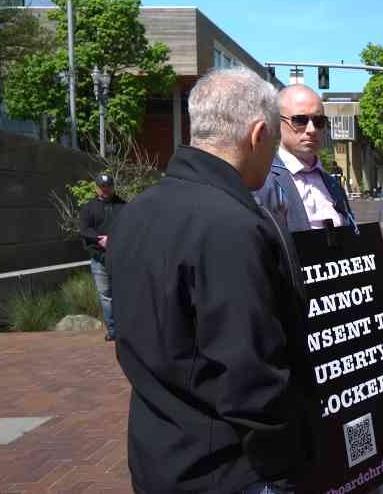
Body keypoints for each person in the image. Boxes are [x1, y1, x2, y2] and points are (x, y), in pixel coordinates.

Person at [108, 67, 306, 494]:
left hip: (156, 454)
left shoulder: (134, 213)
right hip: (229, 470)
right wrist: (283, 464)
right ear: (257, 134)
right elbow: (251, 371)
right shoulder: (232, 226)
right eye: (273, 140)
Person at [254, 84, 356, 232]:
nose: (311, 129)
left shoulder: (333, 185)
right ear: (277, 122)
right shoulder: (261, 181)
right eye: (300, 120)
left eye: (318, 121)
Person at [78, 172, 126, 341]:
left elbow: (130, 227)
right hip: (99, 258)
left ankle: (126, 330)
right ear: (96, 188)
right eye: (102, 187)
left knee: (123, 293)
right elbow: (84, 229)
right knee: (106, 296)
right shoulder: (88, 208)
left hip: (121, 257)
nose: (105, 190)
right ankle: (113, 331)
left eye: (108, 186)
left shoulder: (123, 206)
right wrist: (100, 240)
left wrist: (112, 240)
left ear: (113, 186)